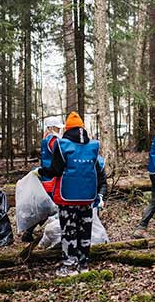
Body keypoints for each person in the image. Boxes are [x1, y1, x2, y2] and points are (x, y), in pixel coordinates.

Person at [35, 112, 107, 277]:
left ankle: (69, 266)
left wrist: (41, 172)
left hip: (68, 197)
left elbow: (56, 170)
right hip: (88, 197)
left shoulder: (62, 145)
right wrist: (99, 195)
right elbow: (96, 171)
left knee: (69, 231)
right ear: (83, 128)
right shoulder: (93, 146)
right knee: (85, 230)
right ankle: (84, 264)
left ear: (67, 129)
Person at [22, 116, 64, 242]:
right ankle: (51, 234)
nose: (59, 129)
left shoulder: (45, 139)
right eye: (57, 127)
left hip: (45, 178)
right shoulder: (54, 140)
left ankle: (29, 232)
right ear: (52, 127)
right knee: (50, 208)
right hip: (53, 179)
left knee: (45, 208)